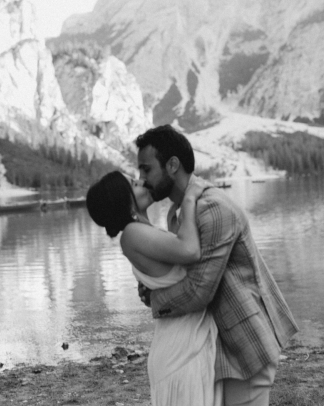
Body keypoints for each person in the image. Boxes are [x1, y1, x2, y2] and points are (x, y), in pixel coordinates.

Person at [135, 124, 299, 406]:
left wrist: (154, 300)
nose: (142, 178)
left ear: (172, 165)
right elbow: (176, 277)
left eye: (146, 169)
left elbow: (199, 290)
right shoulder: (179, 213)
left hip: (246, 348)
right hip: (217, 351)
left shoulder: (211, 208)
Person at [86, 170, 223, 406]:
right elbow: (190, 250)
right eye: (133, 183)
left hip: (186, 341)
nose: (141, 181)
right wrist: (189, 199)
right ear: (124, 199)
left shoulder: (142, 232)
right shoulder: (132, 234)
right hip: (182, 349)